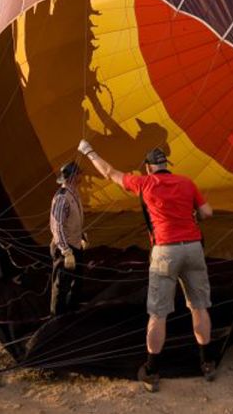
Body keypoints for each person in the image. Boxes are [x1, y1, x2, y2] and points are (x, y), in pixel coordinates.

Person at [77, 141, 214, 392]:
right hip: (193, 248)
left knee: (158, 313)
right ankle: (207, 364)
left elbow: (109, 172)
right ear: (166, 166)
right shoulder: (186, 182)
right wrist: (193, 215)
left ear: (149, 168)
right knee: (199, 306)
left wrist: (88, 151)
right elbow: (208, 212)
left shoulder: (144, 183)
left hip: (165, 251)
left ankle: (151, 370)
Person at [49, 161, 88, 316]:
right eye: (78, 174)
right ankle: (57, 316)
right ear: (73, 177)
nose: (81, 176)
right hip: (64, 247)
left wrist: (82, 236)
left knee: (77, 280)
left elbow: (73, 219)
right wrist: (66, 251)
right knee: (61, 284)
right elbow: (57, 226)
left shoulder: (74, 193)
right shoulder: (62, 198)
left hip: (75, 244)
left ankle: (71, 309)